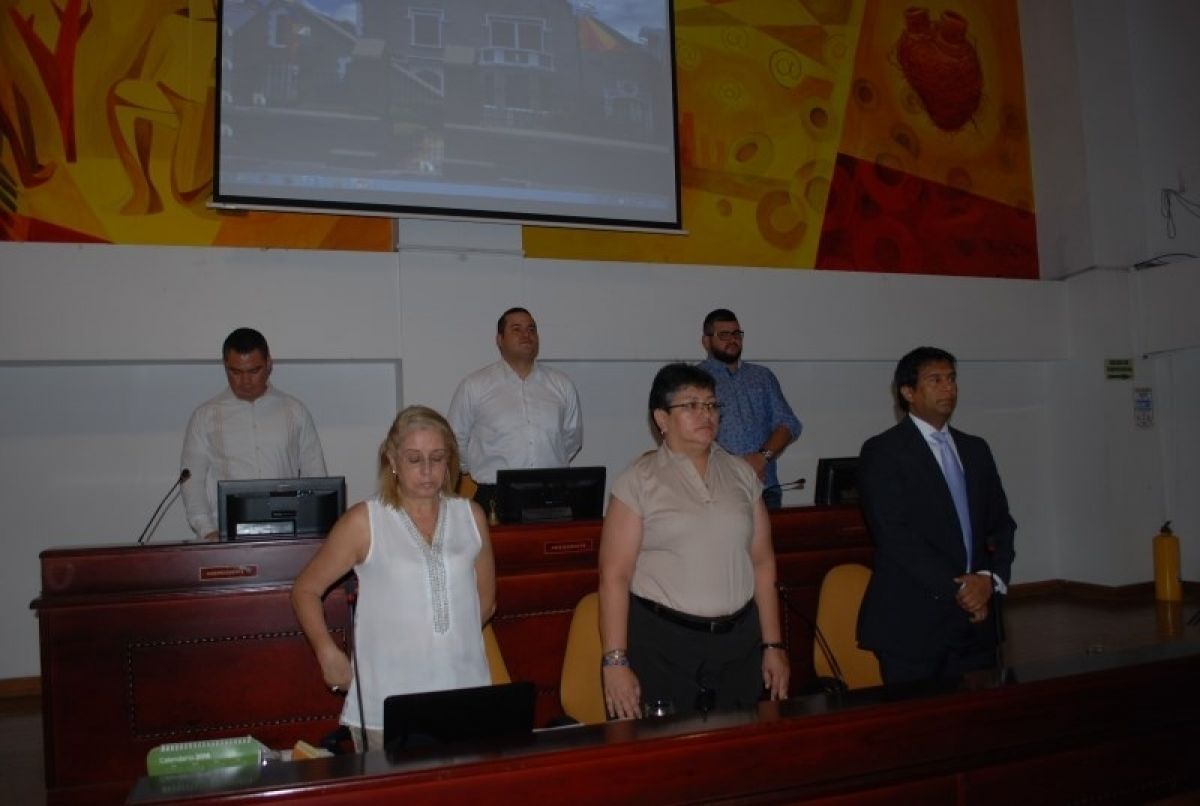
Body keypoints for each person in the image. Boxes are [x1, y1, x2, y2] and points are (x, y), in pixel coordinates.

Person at [291, 405, 496, 752]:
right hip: (388, 706)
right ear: (392, 460)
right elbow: (305, 590)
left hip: (466, 696)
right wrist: (327, 652)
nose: (427, 470)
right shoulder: (365, 520)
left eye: (437, 458)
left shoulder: (471, 516)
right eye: (414, 459)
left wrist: (441, 645)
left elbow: (486, 603)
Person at [599, 363, 789, 720]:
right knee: (666, 750)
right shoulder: (638, 480)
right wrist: (616, 661)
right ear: (662, 418)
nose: (707, 414)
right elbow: (615, 576)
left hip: (739, 643)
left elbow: (763, 563)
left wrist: (773, 644)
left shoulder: (742, 474)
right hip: (664, 645)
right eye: (691, 405)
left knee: (739, 745)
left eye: (712, 405)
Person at [856, 347, 1016, 685]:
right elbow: (895, 536)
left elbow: (1001, 524)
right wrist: (962, 590)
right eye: (936, 380)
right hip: (913, 622)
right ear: (908, 392)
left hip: (977, 621)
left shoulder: (975, 449)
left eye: (952, 379)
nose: (949, 388)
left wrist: (989, 579)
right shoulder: (883, 451)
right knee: (920, 717)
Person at [180, 327, 326, 541]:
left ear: (269, 364)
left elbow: (316, 476)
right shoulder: (205, 417)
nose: (245, 381)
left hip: (287, 533)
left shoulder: (294, 412)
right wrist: (207, 531)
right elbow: (192, 482)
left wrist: (315, 528)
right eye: (236, 372)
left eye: (254, 371)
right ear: (225, 366)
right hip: (226, 537)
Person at [447, 307, 583, 516]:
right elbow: (454, 440)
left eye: (531, 329)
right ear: (499, 340)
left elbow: (571, 439)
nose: (526, 335)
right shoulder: (474, 386)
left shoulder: (561, 385)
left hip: (552, 495)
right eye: (517, 329)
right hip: (495, 495)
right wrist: (473, 468)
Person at [698, 309, 801, 509]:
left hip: (765, 490)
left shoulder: (762, 376)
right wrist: (737, 467)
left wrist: (761, 458)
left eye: (737, 334)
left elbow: (788, 424)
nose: (733, 340)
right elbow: (689, 437)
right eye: (724, 335)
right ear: (706, 341)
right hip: (717, 491)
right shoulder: (695, 380)